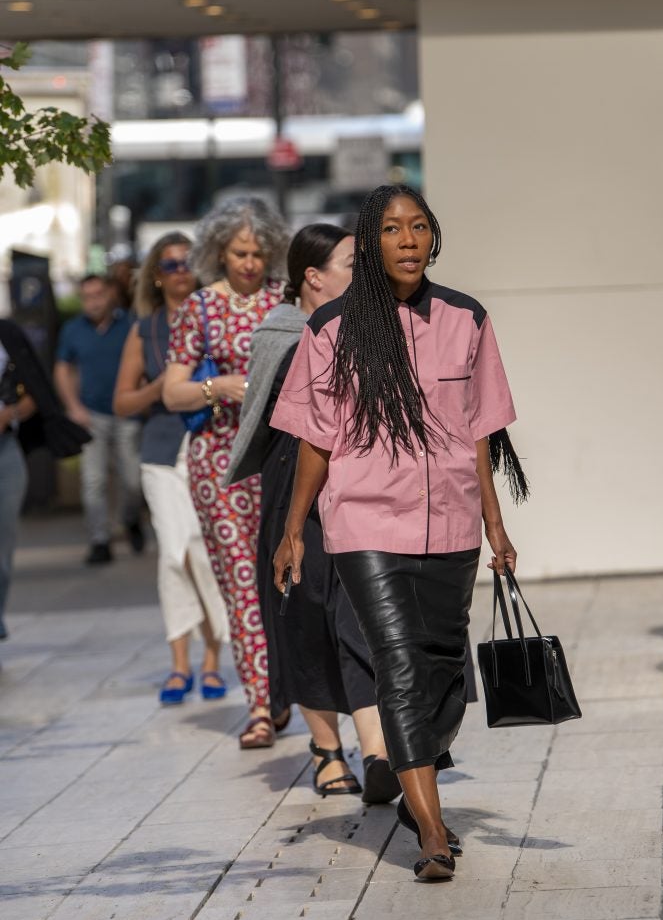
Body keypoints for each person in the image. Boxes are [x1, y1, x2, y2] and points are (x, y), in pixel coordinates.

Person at [272, 184, 527, 881]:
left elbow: (480, 431)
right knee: (401, 663)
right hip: (363, 521)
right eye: (391, 229)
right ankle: (433, 833)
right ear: (371, 240)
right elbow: (316, 442)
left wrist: (495, 524)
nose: (408, 239)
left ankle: (421, 758)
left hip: (450, 518)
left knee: (444, 668)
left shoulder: (467, 319)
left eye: (419, 226)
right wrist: (295, 529)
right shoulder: (330, 329)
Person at [226, 224, 400, 804]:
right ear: (313, 276)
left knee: (360, 615)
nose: (365, 274)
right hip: (293, 495)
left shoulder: (373, 327)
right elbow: (277, 429)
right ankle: (327, 750)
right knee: (301, 615)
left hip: (358, 488)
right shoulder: (280, 335)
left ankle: (375, 752)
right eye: (353, 263)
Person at [163, 197, 289, 749]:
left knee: (288, 578)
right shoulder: (200, 309)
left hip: (279, 456)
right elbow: (172, 391)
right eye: (240, 253)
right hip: (218, 461)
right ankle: (260, 704)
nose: (249, 263)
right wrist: (221, 387)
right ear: (219, 251)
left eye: (258, 253)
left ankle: (288, 689)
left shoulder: (282, 302)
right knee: (241, 582)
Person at [113, 233, 230, 706]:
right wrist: (163, 385)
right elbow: (122, 402)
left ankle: (211, 661)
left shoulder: (219, 319)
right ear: (156, 275)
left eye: (188, 263)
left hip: (214, 445)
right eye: (170, 263)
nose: (180, 270)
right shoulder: (145, 330)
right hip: (161, 453)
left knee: (205, 552)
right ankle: (180, 662)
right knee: (172, 555)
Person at [0, 318, 90, 639]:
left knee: (3, 543)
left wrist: (10, 413)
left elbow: (37, 388)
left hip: (6, 448)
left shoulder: (7, 332)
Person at [54, 275, 144, 565]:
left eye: (98, 295)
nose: (93, 301)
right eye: (87, 296)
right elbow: (62, 369)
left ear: (111, 295)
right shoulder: (73, 330)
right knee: (93, 481)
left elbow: (144, 364)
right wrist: (72, 406)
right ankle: (99, 540)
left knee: (133, 480)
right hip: (91, 415)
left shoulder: (129, 325)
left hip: (126, 414)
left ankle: (131, 520)